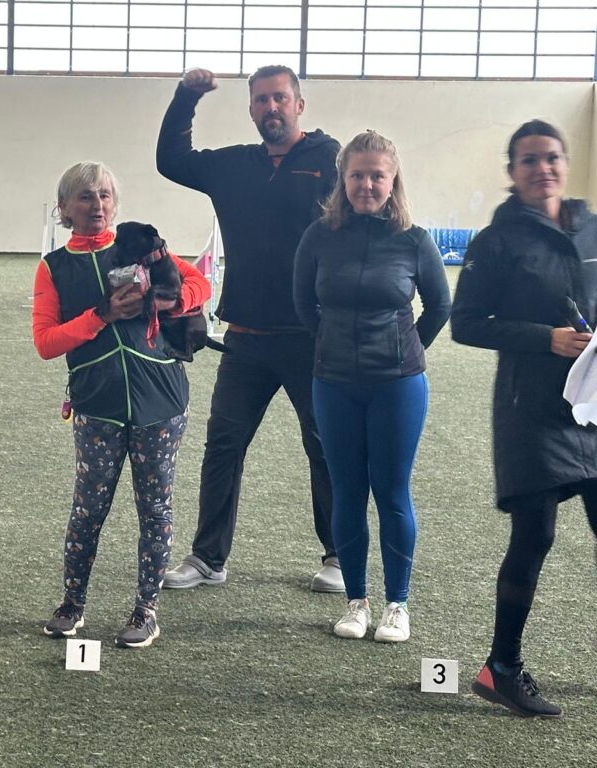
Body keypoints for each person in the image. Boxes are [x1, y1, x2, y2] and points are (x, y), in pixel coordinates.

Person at [156, 65, 344, 591]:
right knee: (223, 447)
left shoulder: (331, 160)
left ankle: (340, 556)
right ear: (251, 109)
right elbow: (171, 160)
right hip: (245, 340)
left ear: (299, 104)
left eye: (280, 98)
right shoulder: (235, 166)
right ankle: (207, 558)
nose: (271, 107)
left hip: (311, 338)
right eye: (261, 100)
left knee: (325, 448)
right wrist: (186, 97)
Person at [451, 119, 597, 718]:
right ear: (512, 171)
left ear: (566, 163)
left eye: (552, 157)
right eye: (530, 160)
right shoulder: (496, 242)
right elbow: (466, 324)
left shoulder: (591, 228)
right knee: (535, 535)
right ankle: (502, 669)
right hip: (530, 409)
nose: (543, 169)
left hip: (592, 405)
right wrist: (546, 338)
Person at [32, 161, 211, 648]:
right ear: (64, 208)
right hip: (97, 405)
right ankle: (72, 605)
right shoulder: (53, 267)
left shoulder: (140, 246)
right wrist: (102, 315)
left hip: (162, 402)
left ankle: (146, 611)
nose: (97, 205)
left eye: (105, 195)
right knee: (88, 510)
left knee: (155, 509)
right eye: (85, 197)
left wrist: (167, 302)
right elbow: (46, 342)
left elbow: (200, 284)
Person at [293, 130, 451, 643]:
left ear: (392, 180)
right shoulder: (319, 236)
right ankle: (356, 602)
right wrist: (331, 344)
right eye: (357, 175)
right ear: (342, 179)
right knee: (346, 490)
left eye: (376, 176)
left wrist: (406, 348)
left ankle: (396, 605)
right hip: (334, 383)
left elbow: (440, 306)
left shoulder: (414, 240)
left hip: (398, 385)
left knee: (391, 491)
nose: (366, 185)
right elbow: (303, 303)